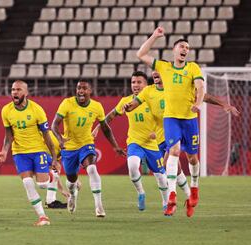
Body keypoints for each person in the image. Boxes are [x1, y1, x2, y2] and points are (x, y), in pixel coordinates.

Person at [124, 71, 240, 216]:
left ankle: (175, 199)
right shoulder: (148, 91)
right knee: (176, 169)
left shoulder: (178, 87)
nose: (156, 75)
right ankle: (187, 195)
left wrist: (223, 104)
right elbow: (135, 103)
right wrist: (128, 106)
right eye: (154, 74)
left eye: (159, 72)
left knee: (180, 162)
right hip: (160, 138)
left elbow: (202, 96)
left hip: (181, 129)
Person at [137, 27, 205, 216]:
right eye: (182, 46)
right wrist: (155, 36)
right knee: (173, 152)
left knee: (192, 158)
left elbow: (200, 87)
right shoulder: (164, 66)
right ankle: (172, 196)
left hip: (190, 119)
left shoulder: (193, 67)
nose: (185, 49)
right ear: (174, 50)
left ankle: (194, 188)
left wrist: (198, 103)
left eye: (188, 48)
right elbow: (141, 54)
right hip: (171, 118)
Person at [93, 72, 169, 213]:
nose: (135, 85)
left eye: (139, 82)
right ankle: (141, 193)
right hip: (135, 142)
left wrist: (158, 132)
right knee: (132, 166)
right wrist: (98, 127)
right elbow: (110, 116)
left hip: (153, 144)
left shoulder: (152, 99)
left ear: (146, 85)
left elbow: (165, 119)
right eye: (133, 82)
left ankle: (166, 202)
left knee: (161, 178)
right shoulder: (126, 101)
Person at [51, 80, 125, 217]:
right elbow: (54, 124)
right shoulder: (67, 103)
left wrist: (115, 146)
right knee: (71, 181)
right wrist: (60, 139)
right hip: (69, 147)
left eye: (84, 88)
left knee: (91, 168)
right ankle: (73, 195)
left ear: (90, 91)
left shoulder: (97, 106)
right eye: (78, 88)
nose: (80, 91)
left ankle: (98, 206)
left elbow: (105, 128)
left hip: (86, 143)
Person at [0, 80, 58, 226]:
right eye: (12, 90)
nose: (14, 93)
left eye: (18, 90)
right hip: (19, 152)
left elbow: (47, 136)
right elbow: (8, 134)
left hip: (38, 151)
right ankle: (42, 217)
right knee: (28, 183)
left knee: (43, 185)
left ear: (26, 93)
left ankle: (52, 176)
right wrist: (4, 151)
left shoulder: (37, 110)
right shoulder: (6, 110)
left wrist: (54, 158)